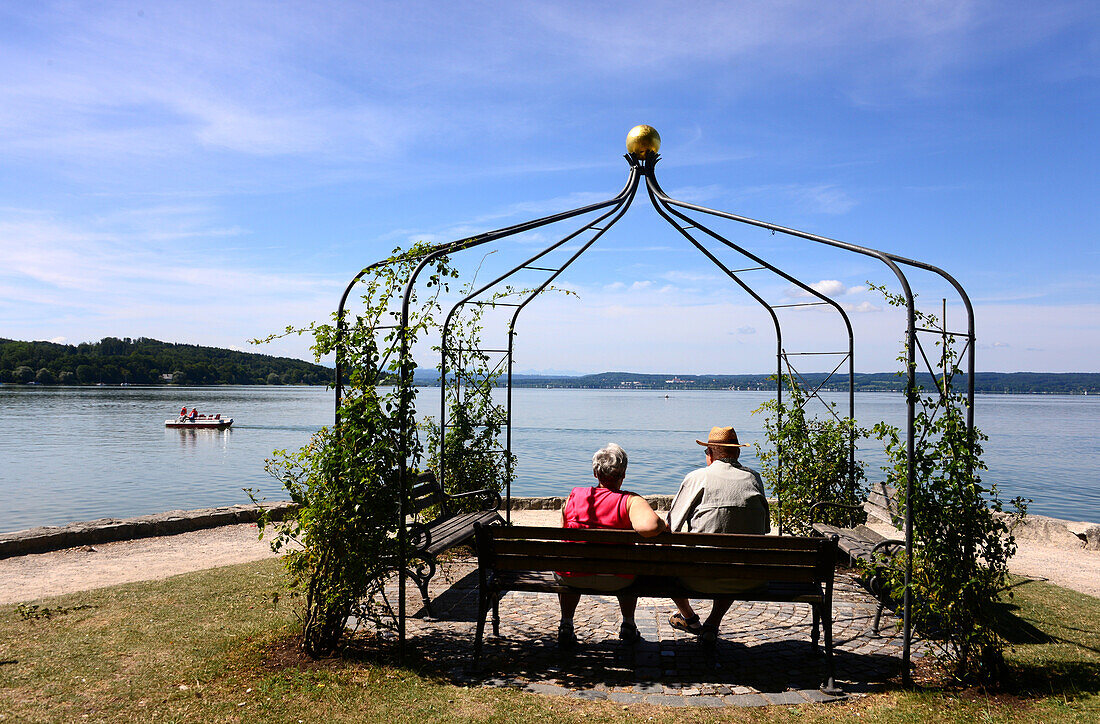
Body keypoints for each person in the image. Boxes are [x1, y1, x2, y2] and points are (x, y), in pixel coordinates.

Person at [666, 426, 770, 646]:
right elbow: (765, 529)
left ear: (709, 454)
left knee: (664, 561)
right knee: (734, 555)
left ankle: (690, 618)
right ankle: (712, 623)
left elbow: (671, 526)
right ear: (738, 453)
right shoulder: (754, 479)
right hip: (747, 577)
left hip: (698, 576)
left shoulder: (697, 478)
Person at [556, 443, 666, 648]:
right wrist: (662, 524)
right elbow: (649, 527)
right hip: (618, 579)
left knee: (571, 564)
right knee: (631, 566)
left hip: (574, 577)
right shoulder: (630, 501)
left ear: (595, 473)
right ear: (623, 474)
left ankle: (566, 624)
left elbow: (564, 531)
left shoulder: (574, 496)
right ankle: (628, 624)